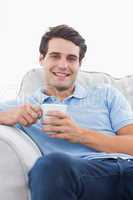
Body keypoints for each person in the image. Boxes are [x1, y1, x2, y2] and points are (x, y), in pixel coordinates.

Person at [0, 24, 133, 200]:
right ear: (42, 59)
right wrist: (5, 115)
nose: (63, 65)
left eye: (71, 59)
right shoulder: (25, 107)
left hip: (128, 167)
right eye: (55, 56)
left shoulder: (106, 94)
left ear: (79, 64)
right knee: (49, 166)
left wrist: (80, 135)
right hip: (80, 175)